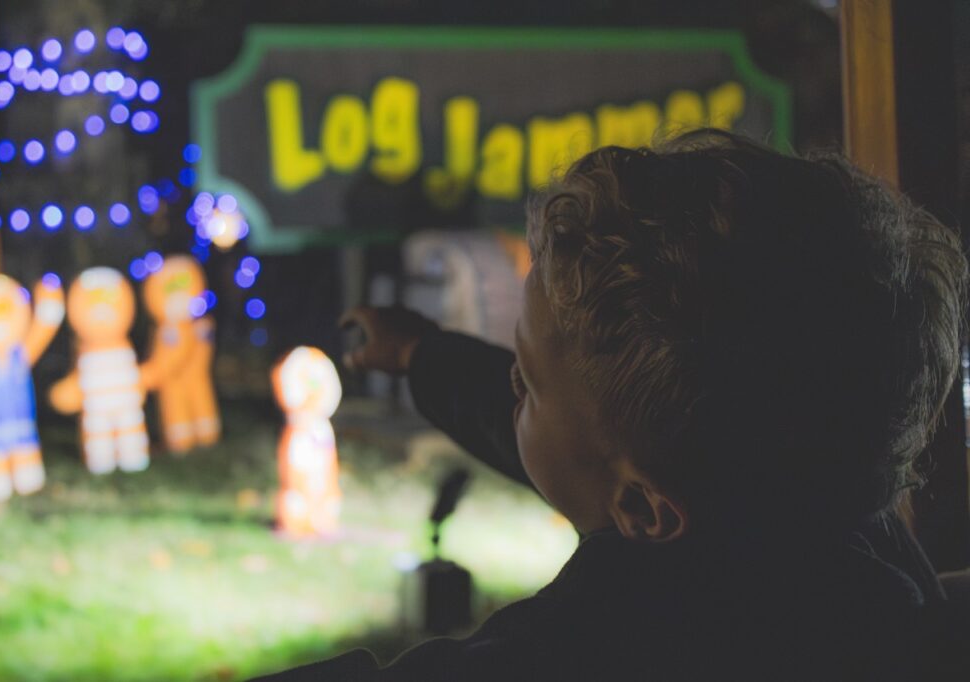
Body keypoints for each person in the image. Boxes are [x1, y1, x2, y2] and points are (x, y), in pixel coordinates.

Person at [255, 130, 970, 680]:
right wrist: (424, 356)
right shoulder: (846, 532)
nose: (512, 388)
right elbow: (602, 447)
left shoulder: (605, 640)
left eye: (528, 382)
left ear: (644, 513)